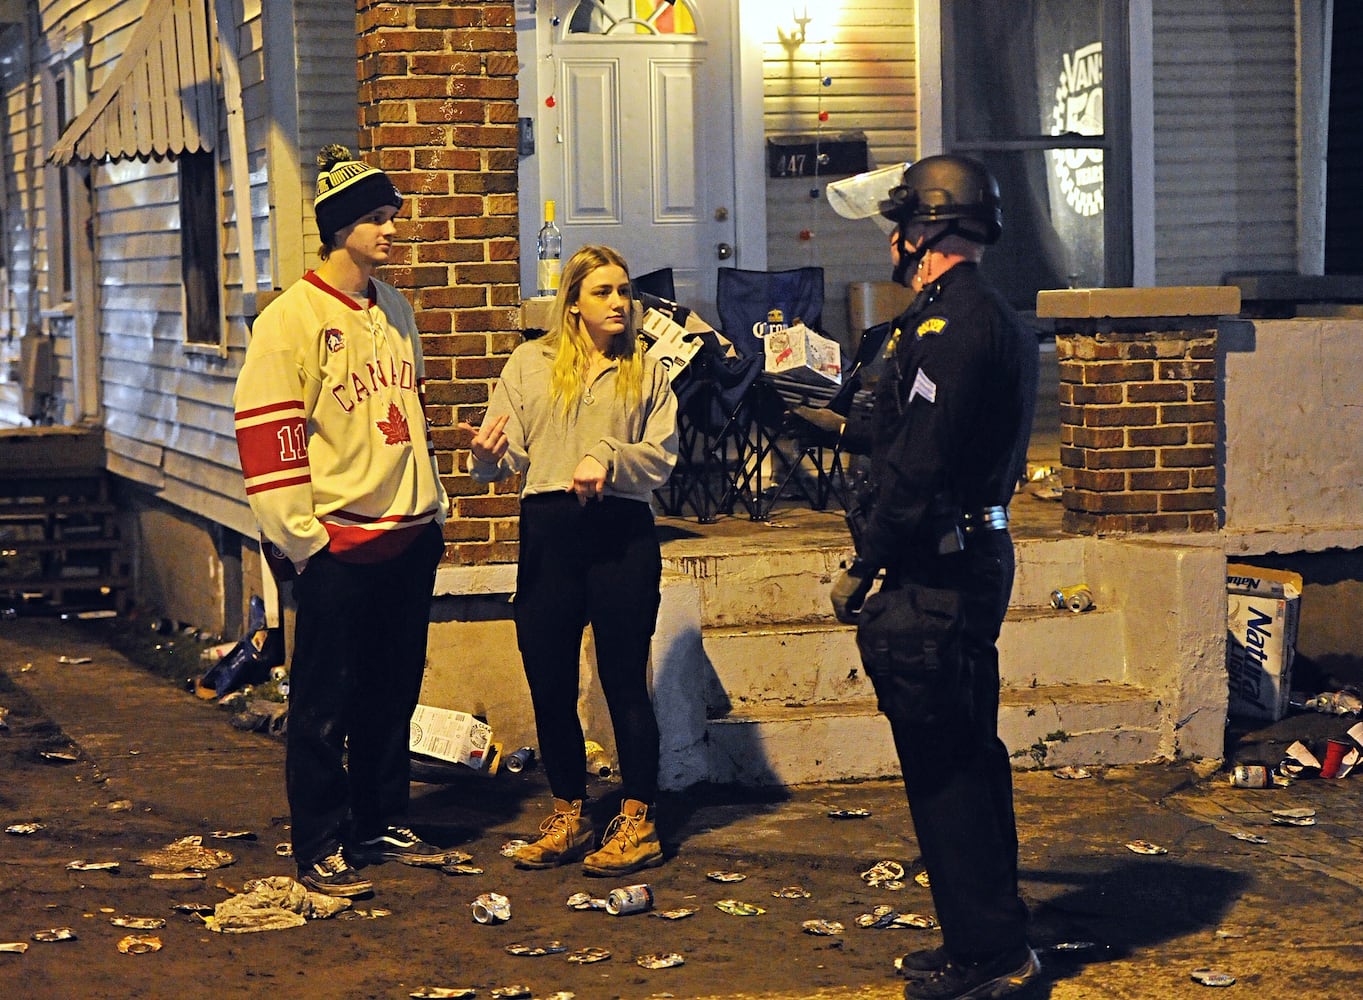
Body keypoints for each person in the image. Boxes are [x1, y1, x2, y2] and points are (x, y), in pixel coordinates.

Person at [828, 155, 1041, 1000]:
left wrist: (863, 563)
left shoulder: (954, 327)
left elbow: (918, 466)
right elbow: (907, 435)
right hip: (961, 561)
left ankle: (989, 955)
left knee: (946, 767)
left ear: (925, 229)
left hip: (938, 573)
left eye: (902, 223)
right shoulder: (969, 317)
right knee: (963, 755)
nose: (892, 239)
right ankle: (986, 936)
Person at [233, 145, 449, 897]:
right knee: (323, 706)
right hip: (335, 542)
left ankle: (381, 816)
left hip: (407, 533)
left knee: (393, 690)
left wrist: (431, 505)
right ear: (338, 229)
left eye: (389, 216)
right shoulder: (289, 320)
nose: (390, 229)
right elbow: (268, 435)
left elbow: (409, 413)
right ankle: (319, 843)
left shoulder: (395, 308)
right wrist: (302, 541)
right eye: (374, 217)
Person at [463, 244, 678, 877]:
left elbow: (662, 459)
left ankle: (639, 819)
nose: (619, 303)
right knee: (550, 684)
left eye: (625, 291)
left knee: (623, 682)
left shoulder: (646, 367)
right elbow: (495, 465)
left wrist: (608, 456)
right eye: (604, 292)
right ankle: (568, 812)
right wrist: (483, 452)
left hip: (620, 532)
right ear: (574, 303)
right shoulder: (530, 364)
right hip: (551, 531)